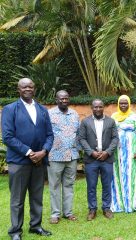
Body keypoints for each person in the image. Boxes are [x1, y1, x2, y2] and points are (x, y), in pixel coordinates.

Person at [1, 78, 54, 239]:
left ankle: (35, 226)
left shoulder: (42, 109)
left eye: (30, 86)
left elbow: (50, 135)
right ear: (18, 89)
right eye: (24, 87)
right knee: (17, 199)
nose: (27, 89)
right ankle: (15, 231)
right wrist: (30, 152)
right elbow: (8, 137)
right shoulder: (10, 109)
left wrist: (43, 152)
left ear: (34, 89)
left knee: (37, 196)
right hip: (19, 162)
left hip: (40, 161)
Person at [78, 99, 119, 221]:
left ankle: (106, 208)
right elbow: (82, 139)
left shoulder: (111, 121)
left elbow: (115, 138)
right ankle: (92, 209)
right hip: (91, 160)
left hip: (107, 159)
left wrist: (107, 152)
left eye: (100, 107)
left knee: (107, 185)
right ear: (91, 108)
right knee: (91, 185)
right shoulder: (85, 122)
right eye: (95, 107)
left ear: (103, 107)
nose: (98, 109)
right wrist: (92, 152)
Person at [48, 90, 80, 224]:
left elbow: (78, 133)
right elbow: (45, 133)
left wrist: (78, 150)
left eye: (66, 98)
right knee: (54, 185)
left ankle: (68, 212)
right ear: (56, 100)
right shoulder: (49, 114)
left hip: (71, 156)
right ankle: (55, 214)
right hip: (55, 155)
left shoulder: (74, 114)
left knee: (69, 185)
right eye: (61, 98)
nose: (64, 101)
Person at [110, 95, 136, 213]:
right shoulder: (113, 117)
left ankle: (133, 203)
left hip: (132, 152)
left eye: (125, 103)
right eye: (121, 103)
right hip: (117, 151)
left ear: (129, 104)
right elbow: (110, 133)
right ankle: (119, 203)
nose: (123, 105)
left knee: (131, 174)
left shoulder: (134, 116)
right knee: (118, 174)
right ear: (118, 104)